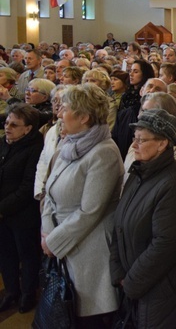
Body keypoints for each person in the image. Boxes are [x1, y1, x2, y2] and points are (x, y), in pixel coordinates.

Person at [40, 84, 124, 325]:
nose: (58, 114)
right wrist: (46, 231)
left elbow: (90, 211)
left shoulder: (103, 152)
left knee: (88, 318)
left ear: (84, 117)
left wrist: (53, 241)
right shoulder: (68, 144)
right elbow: (50, 192)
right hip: (61, 240)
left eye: (64, 108)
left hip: (88, 250)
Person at [109, 109, 176, 327]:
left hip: (163, 292)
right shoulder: (138, 173)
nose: (134, 145)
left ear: (162, 144)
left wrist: (131, 282)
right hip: (137, 285)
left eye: (142, 139)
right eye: (134, 138)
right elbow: (119, 224)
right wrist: (118, 270)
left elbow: (166, 244)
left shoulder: (174, 183)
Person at [0, 104, 43, 313]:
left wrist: (3, 208)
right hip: (3, 214)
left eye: (14, 125)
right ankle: (11, 292)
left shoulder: (35, 148)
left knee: (26, 255)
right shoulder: (3, 144)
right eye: (7, 123)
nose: (8, 127)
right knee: (6, 254)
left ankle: (27, 294)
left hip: (22, 213)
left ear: (28, 129)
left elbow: (28, 186)